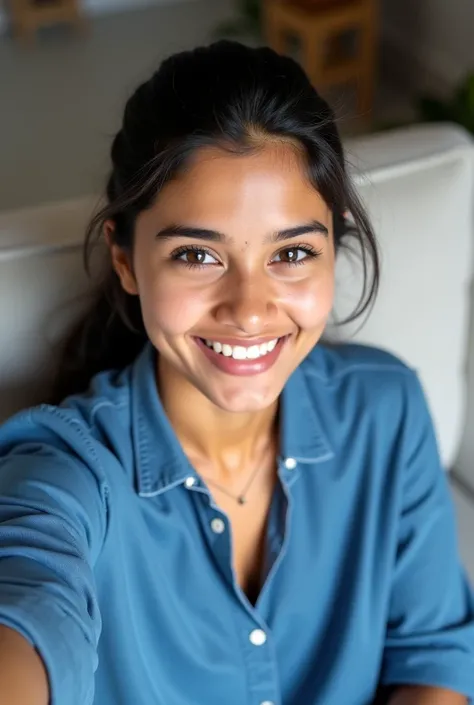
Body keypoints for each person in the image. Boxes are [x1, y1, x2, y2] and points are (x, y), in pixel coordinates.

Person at [0, 40, 473, 705]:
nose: (250, 310)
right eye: (197, 254)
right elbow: (28, 597)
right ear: (127, 257)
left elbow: (434, 655)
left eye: (292, 252)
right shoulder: (69, 468)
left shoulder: (385, 408)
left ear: (334, 246)